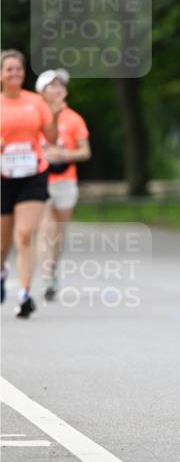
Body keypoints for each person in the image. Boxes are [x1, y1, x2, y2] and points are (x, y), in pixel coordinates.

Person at [1, 50, 59, 317]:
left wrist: (54, 115)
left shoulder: (36, 102)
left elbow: (51, 136)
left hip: (33, 174)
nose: (14, 73)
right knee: (2, 244)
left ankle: (25, 294)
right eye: (9, 69)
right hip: (3, 177)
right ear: (1, 74)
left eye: (18, 69)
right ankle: (2, 271)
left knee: (25, 235)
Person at [36, 69, 91, 301]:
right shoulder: (35, 116)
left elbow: (85, 151)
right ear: (42, 91)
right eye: (53, 86)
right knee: (46, 228)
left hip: (66, 180)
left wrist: (63, 154)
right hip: (40, 179)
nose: (58, 89)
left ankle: (54, 268)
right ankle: (47, 275)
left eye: (61, 85)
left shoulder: (74, 118)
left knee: (59, 230)